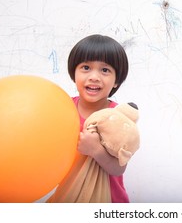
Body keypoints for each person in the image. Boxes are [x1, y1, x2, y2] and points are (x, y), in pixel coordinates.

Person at [47, 34, 130, 203]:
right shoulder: (62, 109)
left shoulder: (118, 117)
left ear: (116, 81)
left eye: (105, 70)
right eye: (86, 67)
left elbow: (118, 168)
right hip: (70, 197)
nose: (94, 76)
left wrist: (96, 150)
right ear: (73, 74)